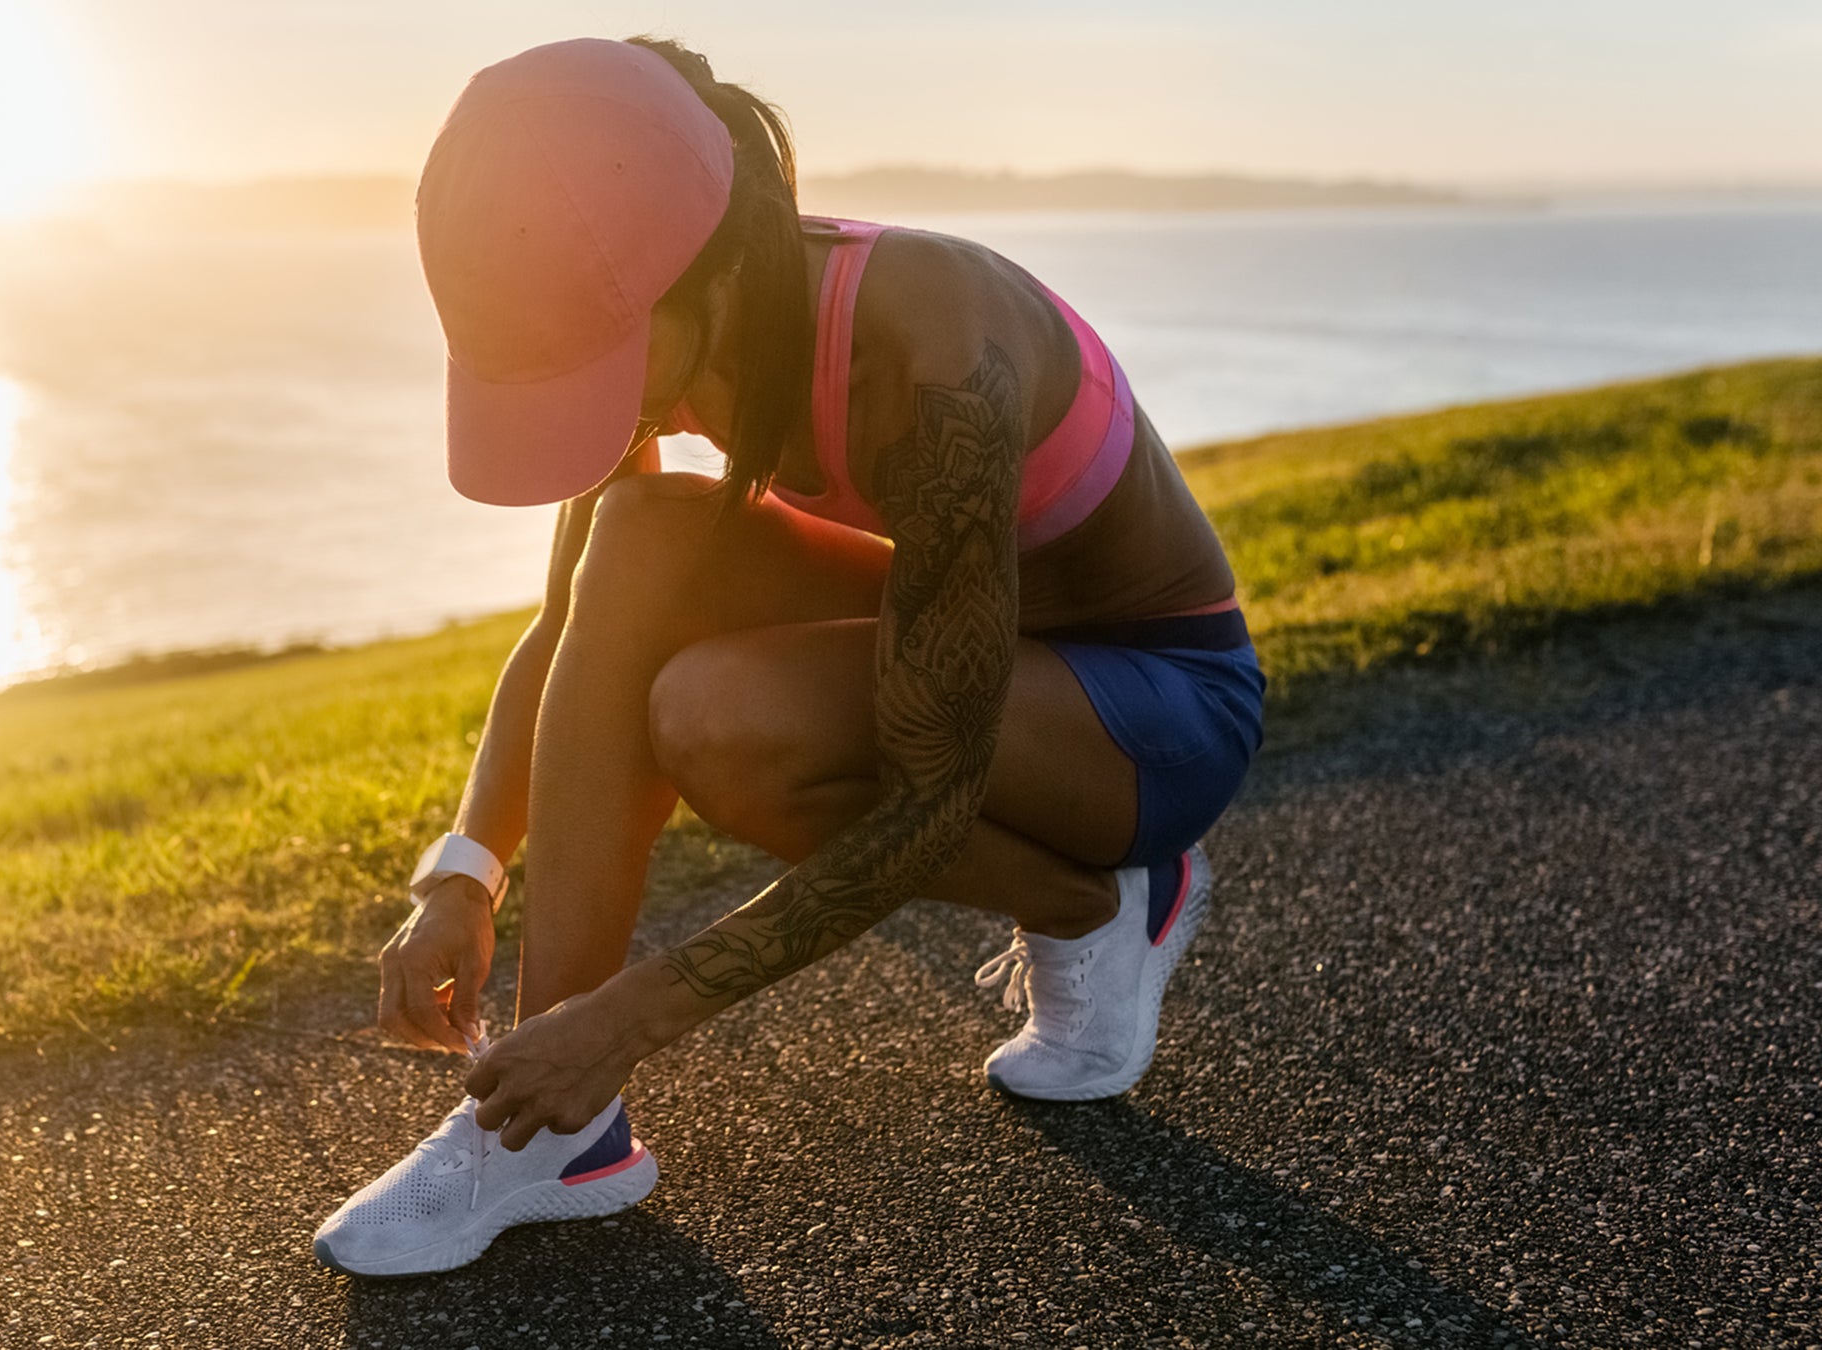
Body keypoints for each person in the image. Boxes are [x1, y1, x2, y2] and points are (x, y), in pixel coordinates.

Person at [312, 36, 1262, 1278]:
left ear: (704, 273)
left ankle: (1103, 899)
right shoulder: (676, 324)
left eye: (584, 360)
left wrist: (628, 1020)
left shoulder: (932, 356)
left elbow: (933, 799)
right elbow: (572, 630)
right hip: (975, 635)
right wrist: (463, 876)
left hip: (1155, 708)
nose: (578, 398)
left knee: (722, 719)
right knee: (640, 535)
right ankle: (557, 1137)